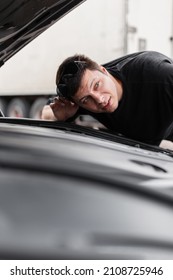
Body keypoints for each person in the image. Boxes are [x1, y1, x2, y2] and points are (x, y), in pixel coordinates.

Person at [41, 51, 173, 148]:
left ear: (103, 70)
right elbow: (46, 114)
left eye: (97, 85)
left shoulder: (159, 75)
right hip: (147, 146)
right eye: (86, 100)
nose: (99, 100)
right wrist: (61, 115)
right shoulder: (82, 94)